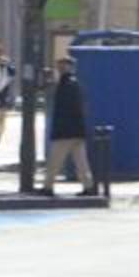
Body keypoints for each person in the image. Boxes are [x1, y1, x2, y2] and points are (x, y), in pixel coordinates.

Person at [44, 57, 96, 197]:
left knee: (55, 161)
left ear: (68, 67)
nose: (59, 68)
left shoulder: (65, 84)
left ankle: (48, 187)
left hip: (65, 131)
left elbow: (64, 109)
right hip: (77, 131)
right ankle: (89, 186)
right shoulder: (74, 83)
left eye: (61, 66)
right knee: (81, 162)